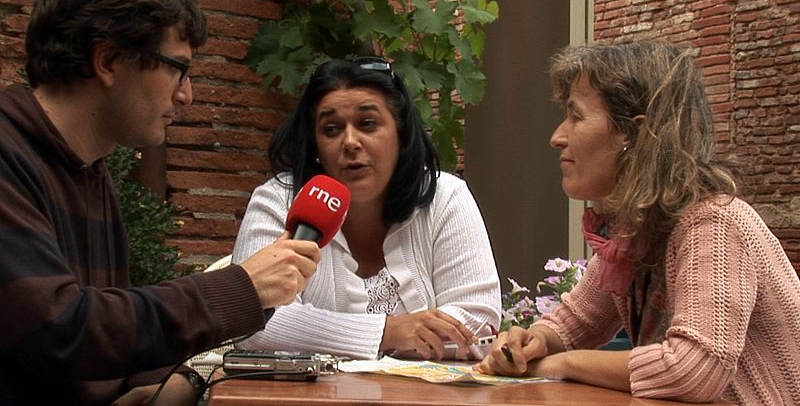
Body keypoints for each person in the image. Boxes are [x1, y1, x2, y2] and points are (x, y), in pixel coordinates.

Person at [0, 0, 322, 404]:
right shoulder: (7, 156)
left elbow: (104, 347)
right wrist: (239, 287)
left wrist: (173, 383)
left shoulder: (89, 171)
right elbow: (59, 331)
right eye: (178, 68)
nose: (186, 95)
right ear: (109, 60)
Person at [474, 40, 800, 405]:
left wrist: (559, 364)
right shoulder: (637, 231)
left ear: (634, 134)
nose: (557, 137)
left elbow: (693, 370)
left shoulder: (715, 224)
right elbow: (571, 324)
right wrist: (530, 342)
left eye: (576, 116)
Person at [232, 57, 501, 360]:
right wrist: (387, 332)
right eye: (331, 129)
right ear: (316, 145)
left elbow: (478, 322)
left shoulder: (445, 196)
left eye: (367, 124)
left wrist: (317, 334)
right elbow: (248, 323)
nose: (350, 142)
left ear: (400, 134)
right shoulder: (280, 200)